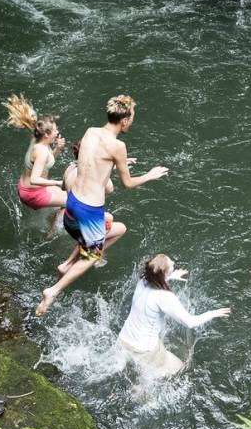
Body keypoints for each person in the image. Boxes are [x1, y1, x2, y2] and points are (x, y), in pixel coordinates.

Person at [36, 94, 168, 316]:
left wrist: (116, 165)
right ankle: (54, 290)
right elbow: (127, 184)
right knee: (93, 255)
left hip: (72, 205)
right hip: (89, 212)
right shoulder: (118, 146)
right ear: (125, 120)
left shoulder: (90, 132)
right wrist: (149, 175)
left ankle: (68, 264)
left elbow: (90, 164)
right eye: (132, 118)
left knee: (114, 230)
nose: (132, 122)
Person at [117, 254, 230, 377]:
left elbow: (155, 278)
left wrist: (171, 276)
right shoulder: (164, 297)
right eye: (171, 265)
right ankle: (140, 388)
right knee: (181, 368)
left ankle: (137, 374)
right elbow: (190, 322)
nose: (173, 262)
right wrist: (213, 313)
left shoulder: (143, 278)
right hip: (144, 349)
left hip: (123, 339)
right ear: (163, 274)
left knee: (139, 369)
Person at [4, 94, 67, 210]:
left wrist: (57, 148)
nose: (57, 132)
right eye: (55, 130)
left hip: (28, 187)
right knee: (72, 202)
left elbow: (45, 163)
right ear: (47, 134)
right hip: (32, 194)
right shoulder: (41, 151)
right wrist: (57, 182)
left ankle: (51, 221)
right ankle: (52, 227)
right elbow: (34, 179)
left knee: (67, 192)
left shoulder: (37, 139)